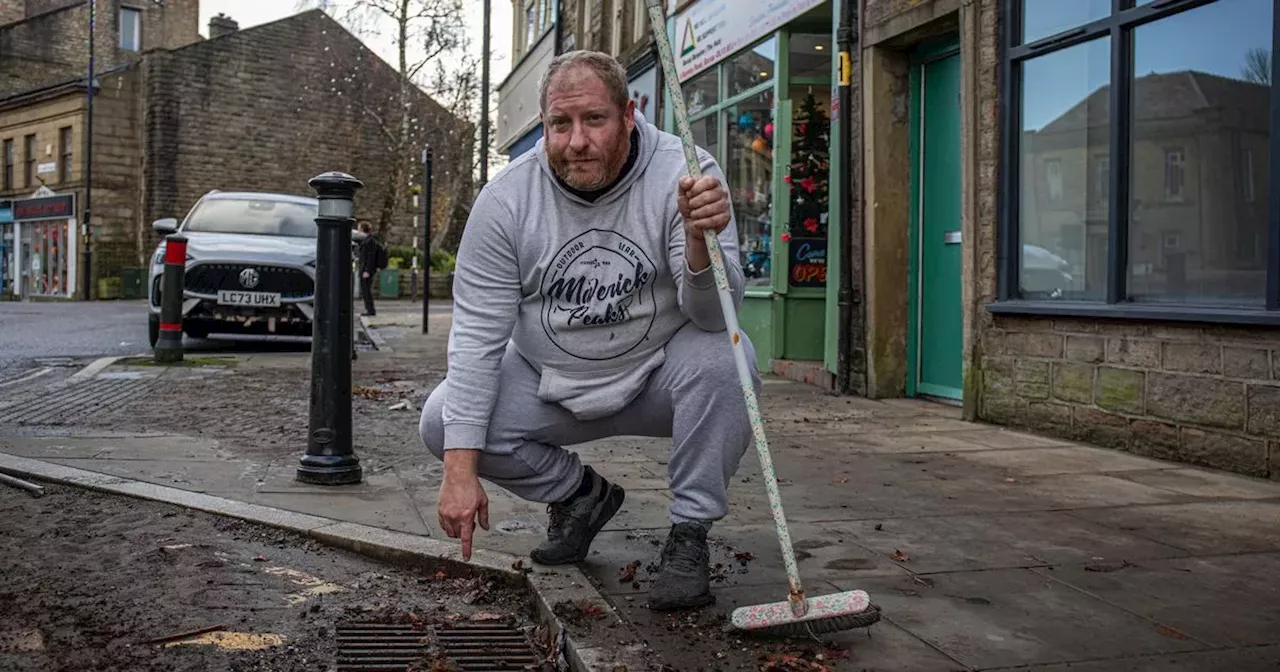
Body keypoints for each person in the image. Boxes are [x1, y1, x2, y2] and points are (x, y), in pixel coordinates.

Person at [418, 50, 758, 612]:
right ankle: (580, 497)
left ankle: (690, 532)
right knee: (442, 421)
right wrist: (459, 472)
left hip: (659, 374)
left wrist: (701, 242)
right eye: (560, 124)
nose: (576, 141)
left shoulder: (688, 173)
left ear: (629, 114)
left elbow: (714, 315)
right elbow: (478, 338)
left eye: (594, 120)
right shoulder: (506, 201)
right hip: (550, 380)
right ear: (544, 126)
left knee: (730, 359)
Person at [356, 221, 380, 316]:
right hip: (366, 269)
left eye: (359, 228)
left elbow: (370, 257)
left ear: (362, 229)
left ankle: (370, 310)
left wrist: (367, 270)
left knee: (366, 291)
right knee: (365, 290)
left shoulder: (370, 241)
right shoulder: (368, 240)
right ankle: (369, 309)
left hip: (367, 270)